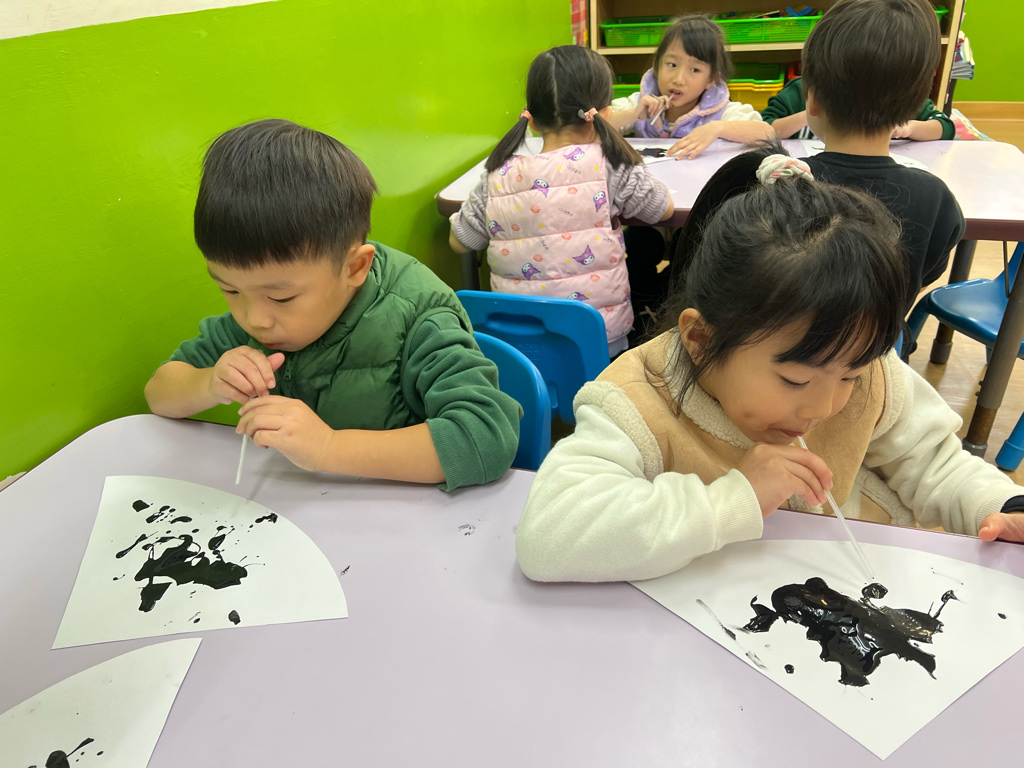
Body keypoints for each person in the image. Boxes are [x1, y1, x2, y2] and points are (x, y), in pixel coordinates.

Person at [515, 147, 1024, 583]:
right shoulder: (639, 401)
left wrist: (999, 507)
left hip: (847, 594)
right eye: (795, 380)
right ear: (700, 339)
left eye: (850, 376)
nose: (825, 406)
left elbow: (934, 465)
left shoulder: (863, 366)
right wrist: (734, 498)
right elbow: (548, 536)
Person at [145, 119, 520, 491]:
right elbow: (159, 393)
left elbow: (487, 438)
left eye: (281, 298)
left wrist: (326, 447)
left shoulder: (420, 320)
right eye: (230, 290)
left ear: (355, 267)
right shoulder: (254, 311)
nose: (254, 319)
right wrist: (209, 383)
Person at [449, 45, 674, 355]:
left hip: (517, 349)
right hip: (596, 346)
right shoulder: (610, 164)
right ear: (605, 115)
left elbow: (460, 242)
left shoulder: (498, 173)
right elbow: (662, 209)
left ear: (531, 120)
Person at [797, 0, 965, 310]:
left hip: (781, 339)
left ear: (813, 99)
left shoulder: (780, 178)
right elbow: (923, 276)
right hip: (884, 338)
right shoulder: (936, 199)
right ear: (917, 103)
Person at [609, 14, 774, 160]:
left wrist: (718, 128)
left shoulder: (720, 111)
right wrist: (632, 115)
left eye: (695, 70)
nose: (678, 79)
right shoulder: (641, 101)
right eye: (672, 64)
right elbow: (596, 125)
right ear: (656, 66)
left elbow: (768, 133)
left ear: (711, 78)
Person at [762, 76, 955, 141]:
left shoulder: (894, 91)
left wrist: (910, 128)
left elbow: (945, 127)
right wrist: (812, 112)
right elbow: (765, 128)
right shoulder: (800, 90)